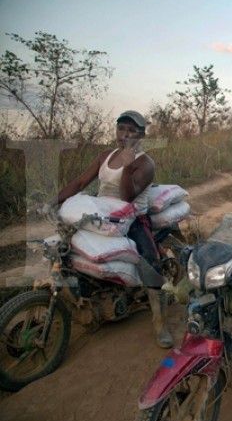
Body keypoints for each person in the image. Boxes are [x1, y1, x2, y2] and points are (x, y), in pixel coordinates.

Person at [47, 111, 173, 348]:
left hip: (134, 217)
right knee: (67, 245)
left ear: (141, 135)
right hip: (102, 213)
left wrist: (127, 164)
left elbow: (127, 196)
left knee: (148, 260)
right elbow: (80, 183)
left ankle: (160, 322)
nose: (124, 134)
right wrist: (52, 201)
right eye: (121, 128)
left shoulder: (146, 163)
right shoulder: (105, 156)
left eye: (131, 130)